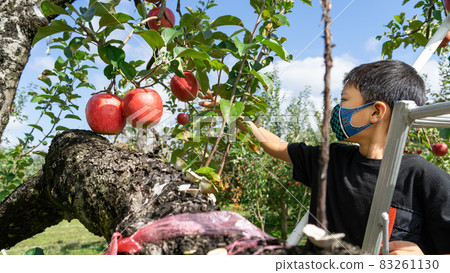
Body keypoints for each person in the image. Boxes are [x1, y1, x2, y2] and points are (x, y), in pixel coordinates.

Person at [199, 60, 450, 255]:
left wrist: (425, 260)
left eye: (344, 101)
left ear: (376, 112)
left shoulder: (424, 178)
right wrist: (231, 112)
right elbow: (275, 145)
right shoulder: (330, 159)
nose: (335, 110)